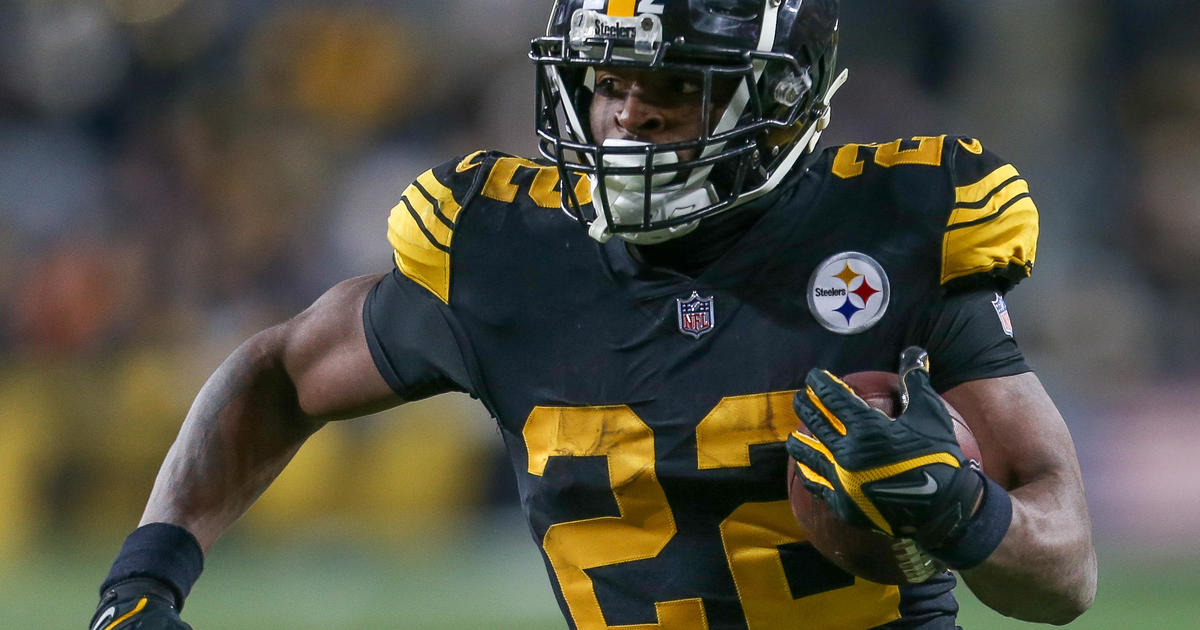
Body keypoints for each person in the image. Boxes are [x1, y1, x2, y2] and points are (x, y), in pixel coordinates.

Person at [89, 1, 1097, 629]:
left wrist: (964, 515)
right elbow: (278, 374)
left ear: (780, 102)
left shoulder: (895, 232)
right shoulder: (506, 254)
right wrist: (147, 576)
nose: (629, 115)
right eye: (608, 84)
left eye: (673, 89)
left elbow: (1065, 576)